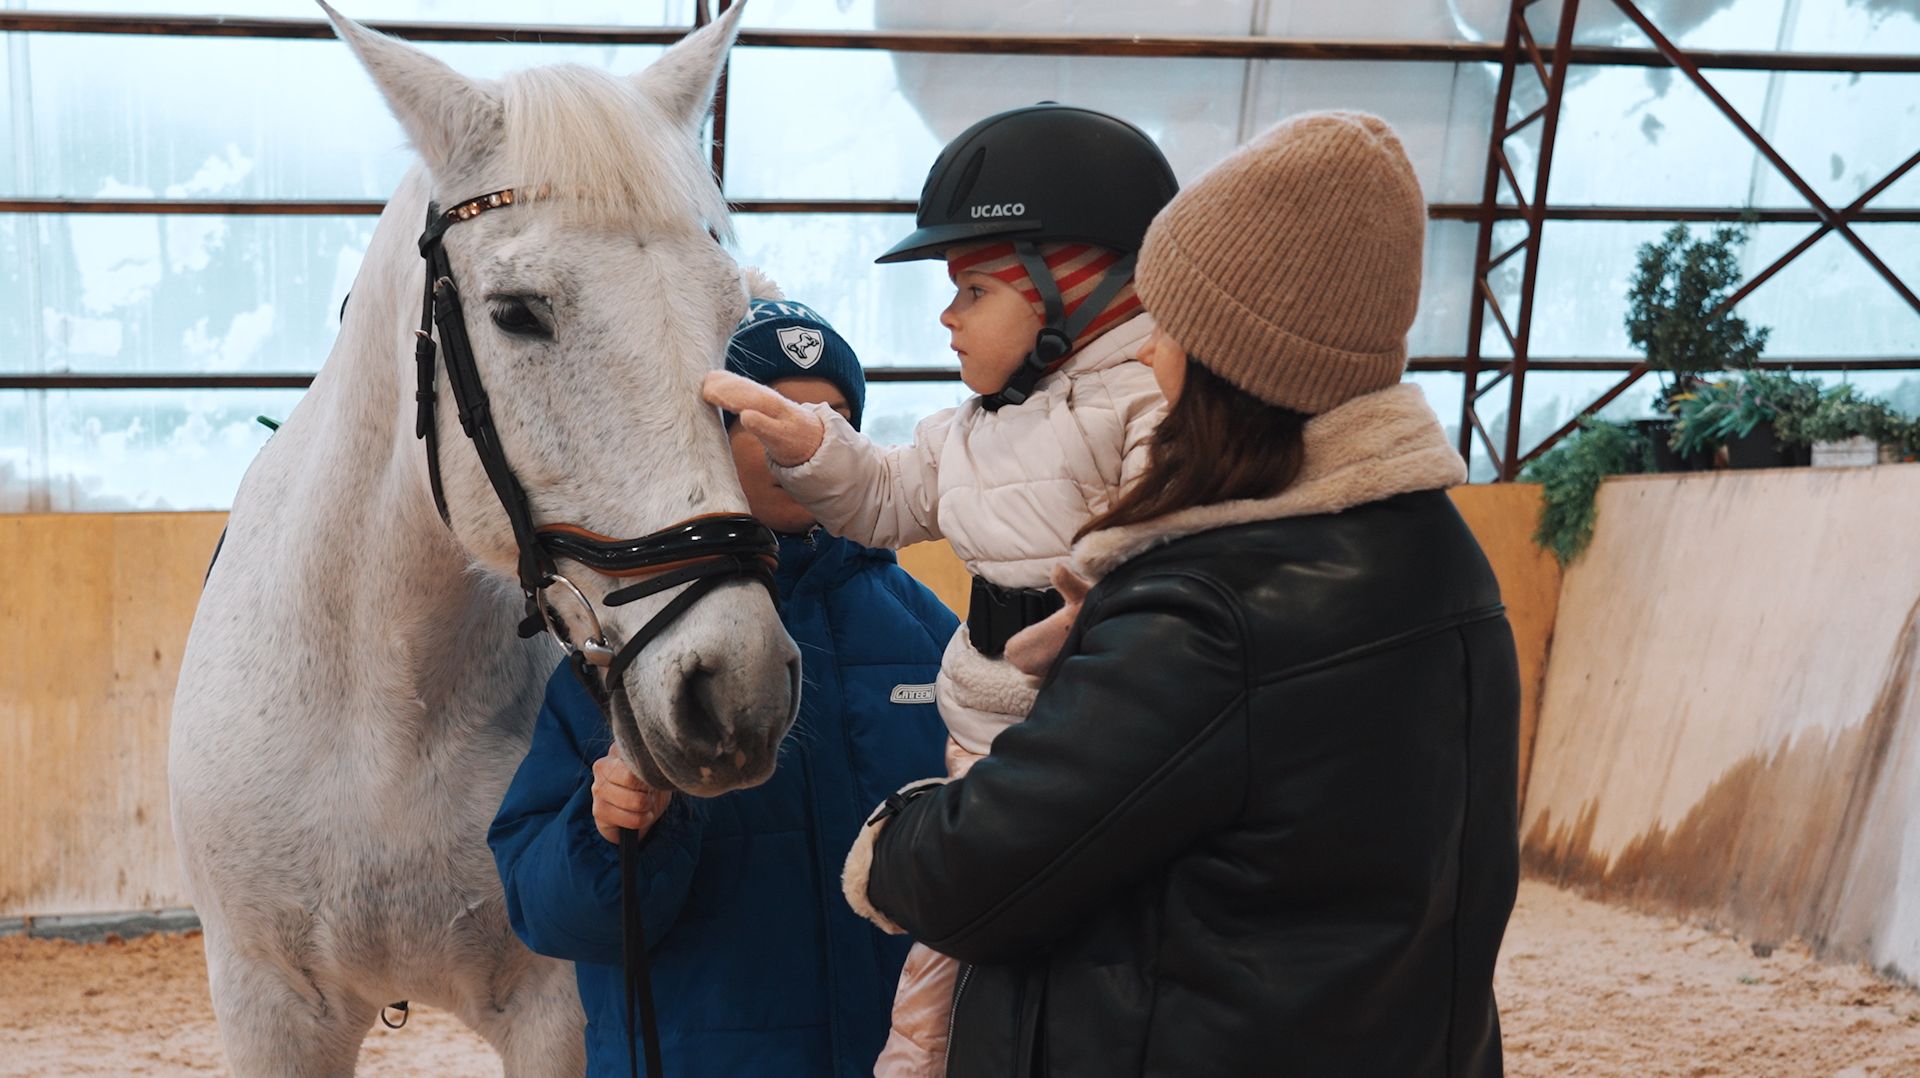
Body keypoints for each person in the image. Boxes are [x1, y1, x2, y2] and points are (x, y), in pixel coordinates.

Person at [844, 111, 1523, 1077]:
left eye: (1172, 327)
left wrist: (900, 826)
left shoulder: (1209, 615)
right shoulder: (1446, 562)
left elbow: (965, 875)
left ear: (1235, 357)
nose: (1151, 356)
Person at [701, 103, 1178, 1077]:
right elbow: (884, 493)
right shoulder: (980, 425)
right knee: (926, 1005)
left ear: (1069, 286)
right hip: (981, 749)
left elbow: (1167, 588)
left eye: (972, 288)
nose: (948, 318)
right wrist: (809, 445)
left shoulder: (1158, 415)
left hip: (1070, 762)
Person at [489, 290, 958, 1077]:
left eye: (831, 415)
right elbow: (548, 915)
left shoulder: (933, 637)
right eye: (762, 414)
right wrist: (607, 835)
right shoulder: (624, 644)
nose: (798, 438)